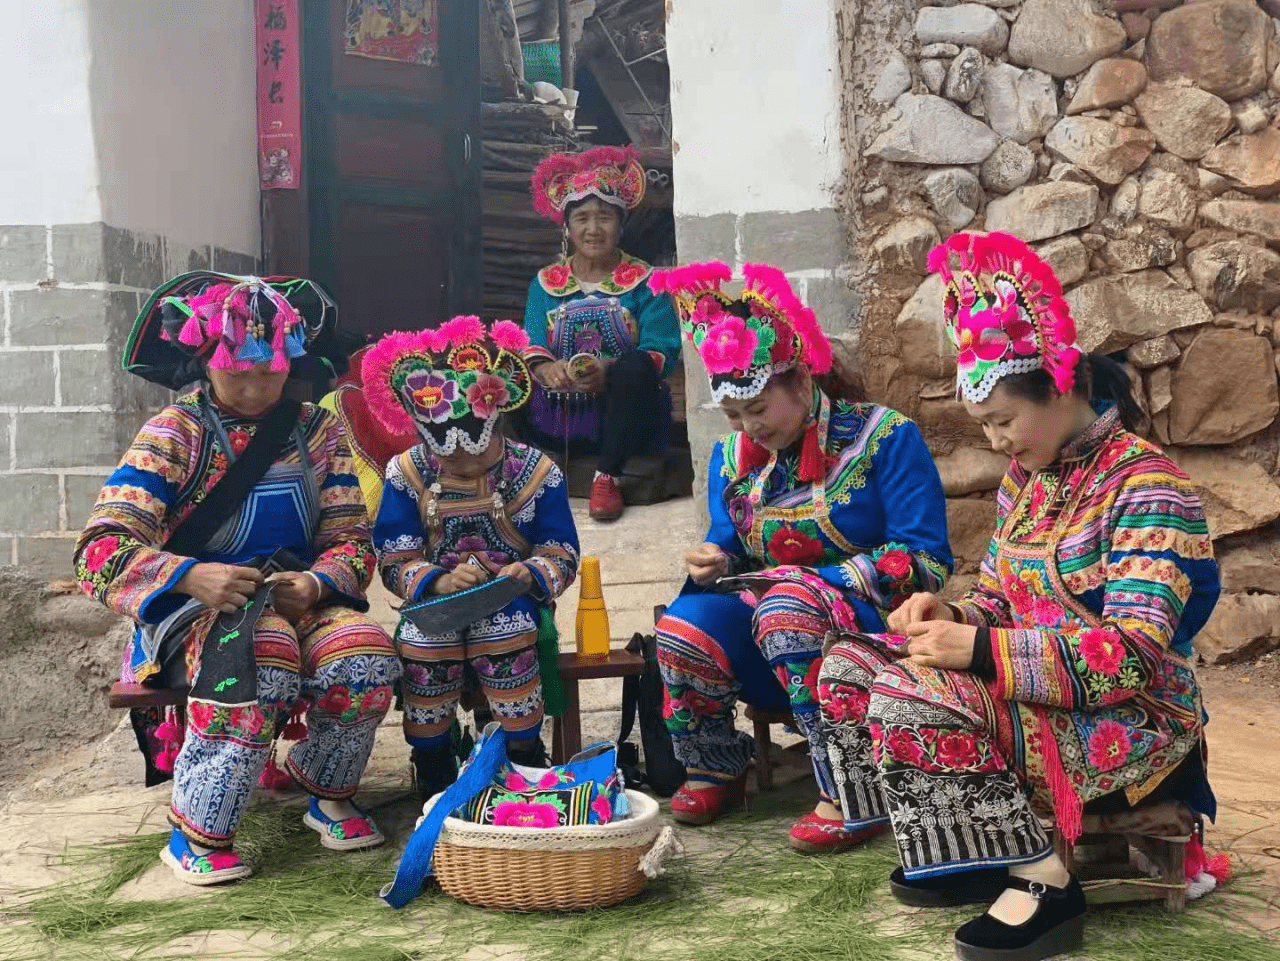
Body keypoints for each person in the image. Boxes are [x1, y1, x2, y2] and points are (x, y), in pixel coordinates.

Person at [817, 231, 1221, 961]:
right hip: (1036, 688)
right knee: (850, 664)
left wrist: (978, 650)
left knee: (916, 694)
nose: (998, 440)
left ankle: (1044, 877)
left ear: (1061, 387)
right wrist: (954, 614)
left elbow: (1129, 656)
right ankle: (969, 844)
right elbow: (1001, 599)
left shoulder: (1146, 485)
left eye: (1004, 420)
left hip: (1133, 714)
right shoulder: (1027, 482)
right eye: (985, 427)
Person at [75, 273, 401, 885]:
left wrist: (318, 584)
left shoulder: (319, 430)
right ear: (206, 361)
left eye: (270, 373)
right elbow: (100, 550)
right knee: (260, 653)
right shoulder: (173, 433)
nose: (254, 389)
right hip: (196, 611)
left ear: (291, 363)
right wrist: (191, 575)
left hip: (298, 600)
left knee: (364, 653)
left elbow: (352, 540)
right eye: (237, 373)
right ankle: (200, 829)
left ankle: (327, 789)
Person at [647, 261, 953, 853]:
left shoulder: (885, 437)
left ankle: (850, 788)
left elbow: (927, 558)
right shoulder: (733, 458)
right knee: (683, 627)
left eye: (759, 408)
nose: (748, 427)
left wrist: (817, 581)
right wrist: (716, 560)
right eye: (734, 415)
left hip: (869, 625)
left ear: (802, 379)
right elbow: (731, 546)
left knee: (788, 607)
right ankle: (715, 765)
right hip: (771, 624)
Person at [362, 317, 580, 801]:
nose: (459, 466)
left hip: (513, 602)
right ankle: (434, 764)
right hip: (436, 604)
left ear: (495, 425)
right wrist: (435, 581)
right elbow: (394, 554)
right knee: (424, 638)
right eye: (447, 459)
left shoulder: (537, 471)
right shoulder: (406, 472)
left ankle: (521, 756)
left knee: (502, 628)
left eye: (473, 457)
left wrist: (530, 572)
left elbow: (561, 549)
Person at [522, 145, 681, 522]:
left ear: (620, 226)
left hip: (630, 418)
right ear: (567, 227)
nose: (593, 229)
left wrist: (609, 370)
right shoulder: (546, 284)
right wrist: (547, 369)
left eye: (604, 218)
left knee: (635, 367)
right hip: (563, 417)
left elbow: (663, 350)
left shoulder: (646, 282)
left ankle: (606, 477)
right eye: (582, 218)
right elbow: (532, 344)